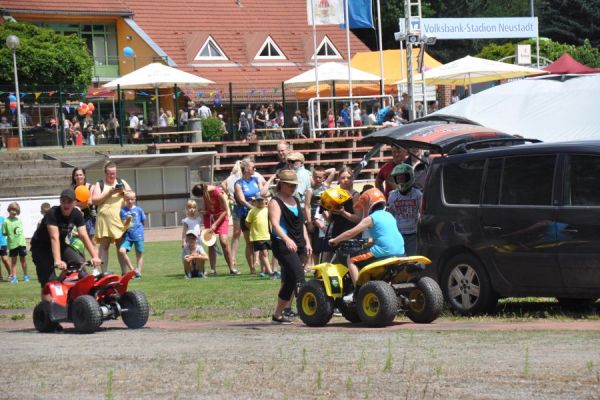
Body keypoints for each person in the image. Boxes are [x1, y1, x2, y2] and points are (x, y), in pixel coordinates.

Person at [329, 188, 405, 299]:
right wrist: (369, 241)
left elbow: (350, 233)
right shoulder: (389, 216)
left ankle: (358, 293)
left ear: (368, 203)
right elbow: (385, 235)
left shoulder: (371, 218)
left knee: (351, 259)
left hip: (384, 250)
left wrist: (335, 240)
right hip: (400, 251)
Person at [31, 189, 102, 307]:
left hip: (61, 244)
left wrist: (95, 256)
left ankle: (83, 304)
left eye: (69, 202)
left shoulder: (77, 214)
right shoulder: (52, 213)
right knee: (49, 281)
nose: (66, 204)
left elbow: (84, 236)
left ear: (74, 203)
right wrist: (58, 260)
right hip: (41, 248)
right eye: (63, 201)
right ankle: (48, 314)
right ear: (60, 202)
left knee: (80, 264)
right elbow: (54, 237)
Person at [269, 169, 312, 324]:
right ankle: (309, 311)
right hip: (283, 244)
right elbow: (275, 224)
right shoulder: (275, 201)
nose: (293, 188)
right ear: (281, 184)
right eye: (289, 185)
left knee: (290, 280)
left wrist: (307, 242)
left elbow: (302, 224)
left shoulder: (294, 200)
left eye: (294, 185)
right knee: (300, 275)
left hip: (298, 243)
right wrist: (287, 239)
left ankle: (277, 315)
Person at [91, 161, 132, 272]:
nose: (113, 176)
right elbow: (94, 200)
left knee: (121, 247)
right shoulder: (99, 184)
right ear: (105, 173)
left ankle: (124, 272)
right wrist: (109, 193)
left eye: (114, 173)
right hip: (104, 220)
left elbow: (131, 195)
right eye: (110, 174)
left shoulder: (121, 182)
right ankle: (104, 272)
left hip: (119, 220)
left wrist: (124, 192)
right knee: (104, 246)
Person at [191, 183, 238, 275]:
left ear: (203, 192)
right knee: (210, 243)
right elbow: (207, 206)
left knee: (224, 241)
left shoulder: (217, 192)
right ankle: (213, 270)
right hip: (210, 218)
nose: (202, 198)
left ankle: (232, 268)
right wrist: (204, 212)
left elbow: (225, 210)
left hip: (221, 217)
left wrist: (215, 224)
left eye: (200, 196)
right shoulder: (205, 192)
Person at [234, 159, 269, 274]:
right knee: (249, 242)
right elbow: (242, 200)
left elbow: (263, 193)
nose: (255, 169)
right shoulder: (238, 184)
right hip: (246, 215)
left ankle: (263, 269)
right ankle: (252, 268)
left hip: (260, 215)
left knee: (261, 240)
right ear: (246, 169)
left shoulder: (256, 179)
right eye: (253, 167)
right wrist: (253, 209)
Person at [387, 164, 422, 256]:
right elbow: (389, 215)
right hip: (398, 234)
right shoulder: (392, 196)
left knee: (412, 259)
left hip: (413, 234)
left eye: (403, 178)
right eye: (398, 179)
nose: (401, 181)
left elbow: (422, 214)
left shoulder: (417, 194)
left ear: (409, 177)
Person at [245, 194, 275, 279]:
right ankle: (270, 273)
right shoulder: (252, 211)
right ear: (255, 202)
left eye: (261, 200)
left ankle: (265, 270)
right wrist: (254, 230)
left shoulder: (268, 210)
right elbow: (247, 223)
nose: (260, 202)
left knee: (266, 253)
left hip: (268, 235)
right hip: (258, 236)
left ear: (265, 201)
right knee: (264, 253)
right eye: (258, 200)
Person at [119, 191, 145, 278]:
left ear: (135, 199)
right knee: (122, 251)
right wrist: (128, 220)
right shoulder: (123, 211)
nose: (130, 201)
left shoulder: (139, 210)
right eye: (128, 199)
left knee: (139, 254)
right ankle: (132, 270)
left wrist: (139, 231)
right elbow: (124, 225)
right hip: (128, 236)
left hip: (138, 235)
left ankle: (139, 272)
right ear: (124, 199)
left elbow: (142, 221)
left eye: (132, 199)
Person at [2, 202, 29, 283]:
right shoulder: (5, 221)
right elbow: (4, 233)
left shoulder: (19, 220)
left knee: (23, 260)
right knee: (13, 261)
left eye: (16, 211)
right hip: (12, 244)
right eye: (13, 210)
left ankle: (26, 276)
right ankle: (14, 277)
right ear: (9, 210)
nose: (14, 212)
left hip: (21, 243)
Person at [71, 167, 97, 240]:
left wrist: (76, 204)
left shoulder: (91, 187)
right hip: (77, 219)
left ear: (84, 175)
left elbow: (89, 202)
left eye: (80, 175)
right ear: (74, 177)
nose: (79, 177)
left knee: (93, 242)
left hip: (90, 219)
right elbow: (70, 204)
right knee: (79, 243)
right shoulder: (72, 190)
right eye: (76, 175)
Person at [0, 207, 10, 281]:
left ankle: (11, 275)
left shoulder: (3, 219)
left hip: (2, 242)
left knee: (5, 259)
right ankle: (0, 277)